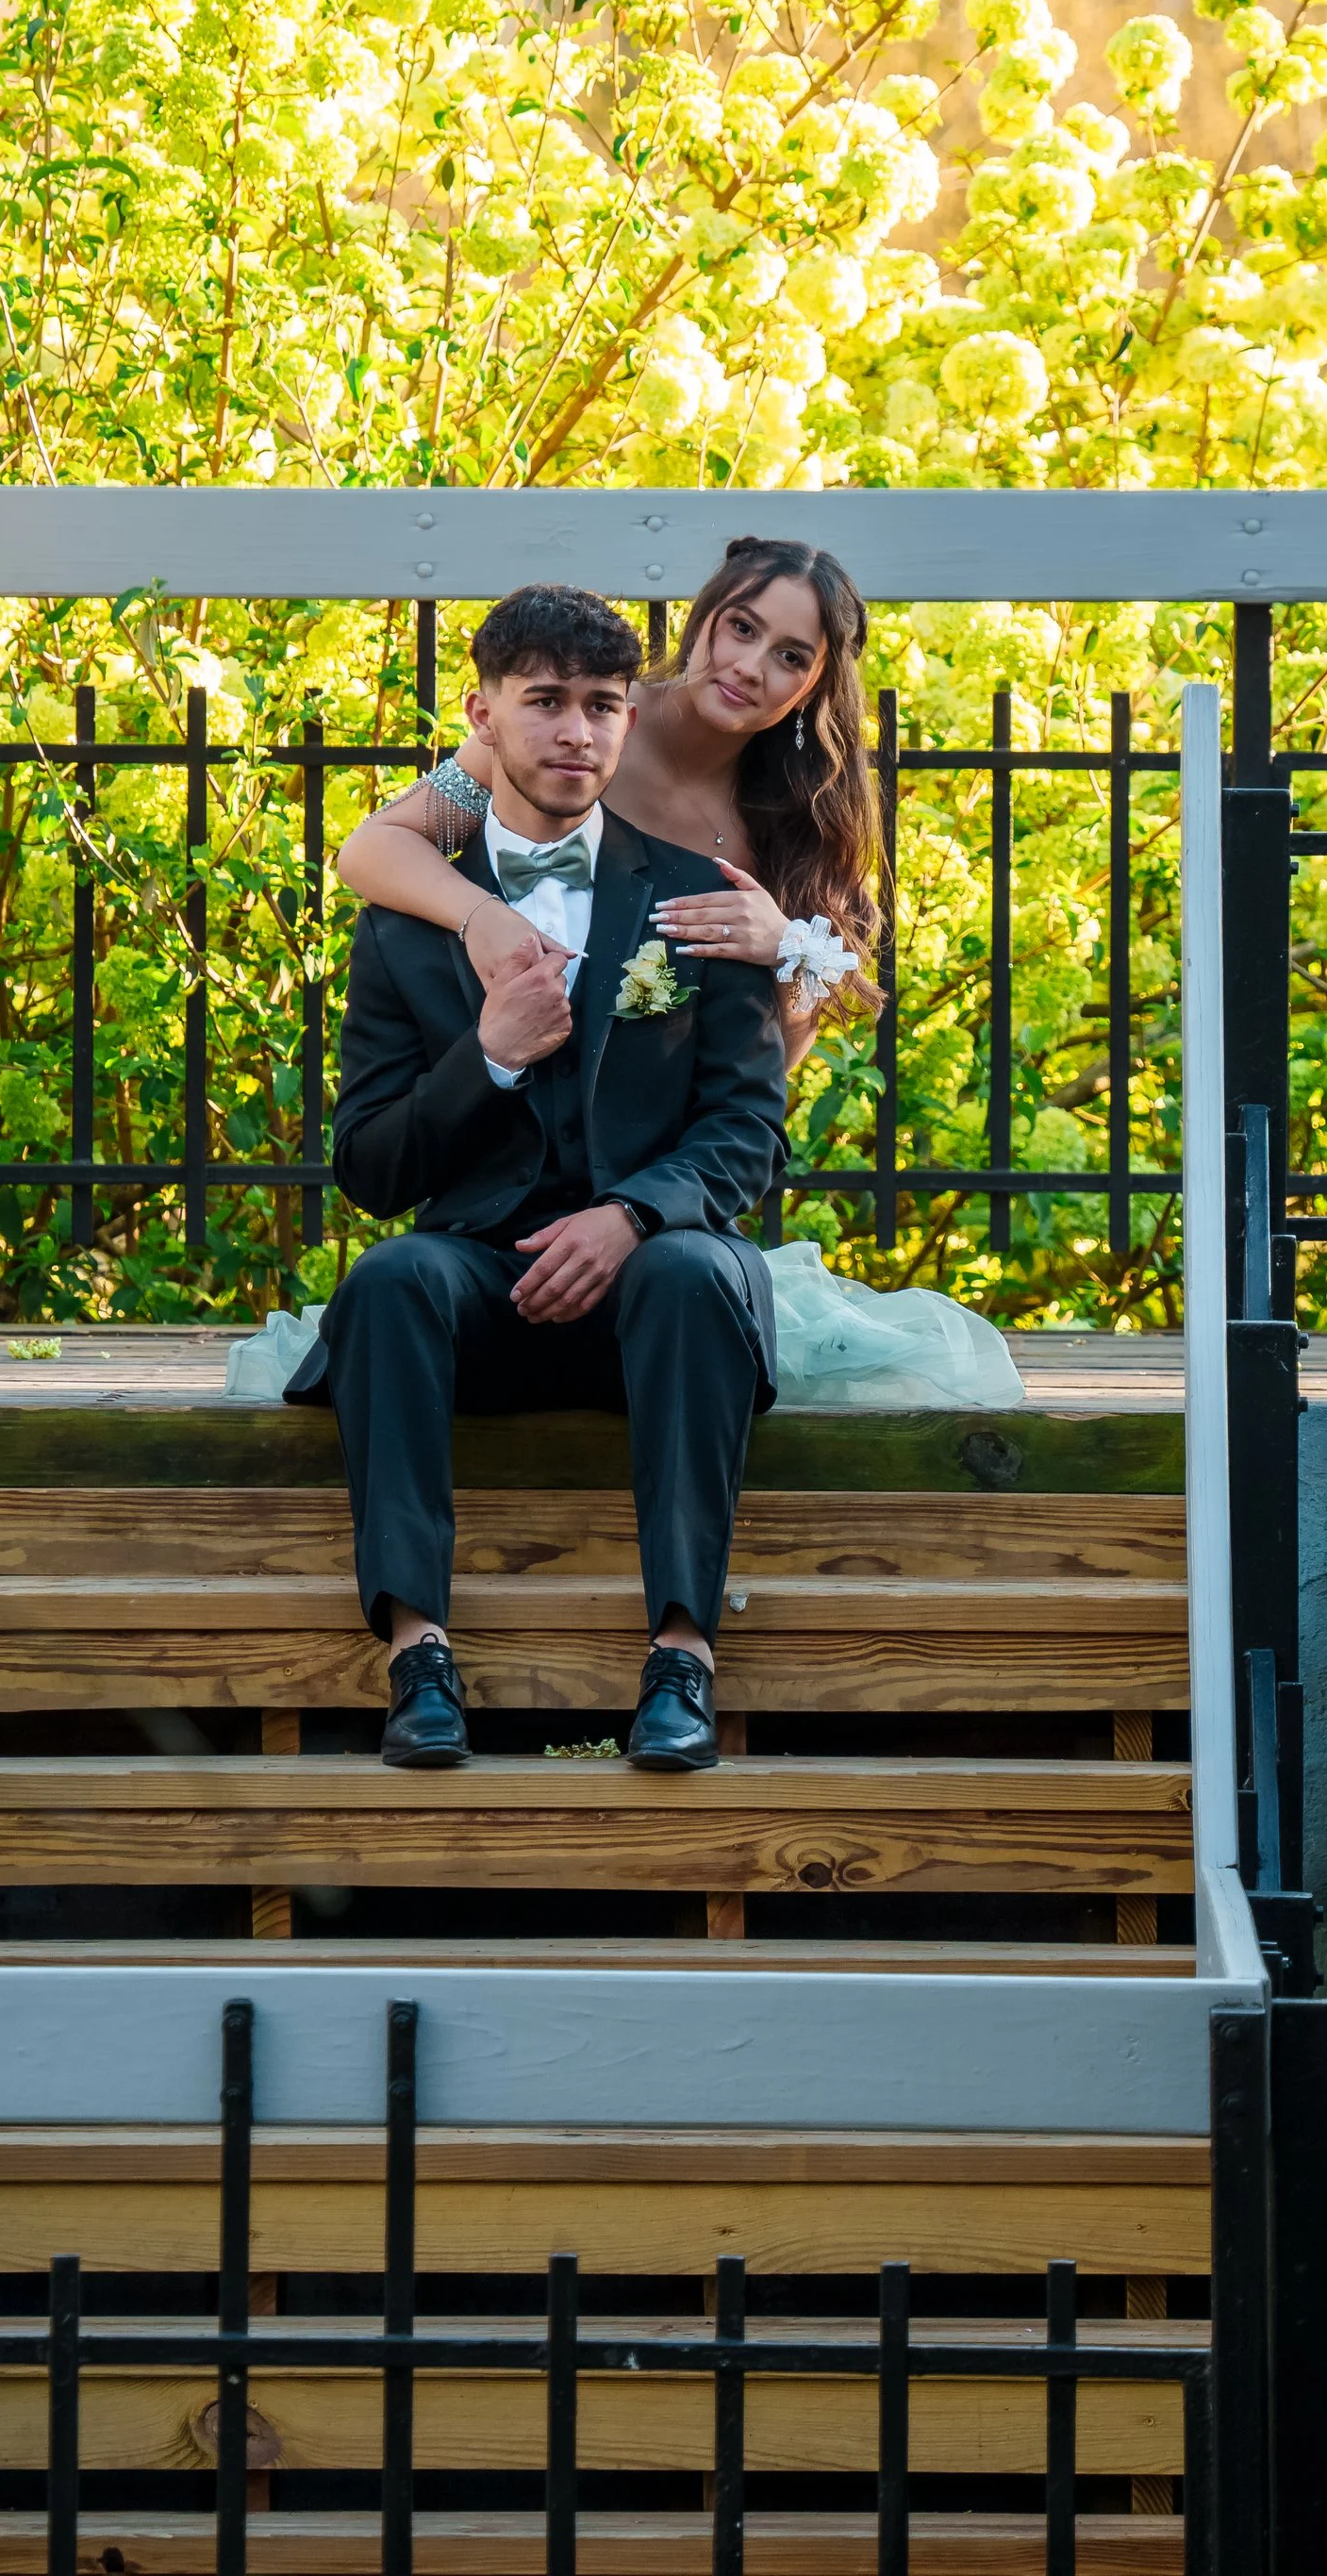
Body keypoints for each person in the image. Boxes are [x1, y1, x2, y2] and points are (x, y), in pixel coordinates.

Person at [284, 583, 791, 1774]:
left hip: (654, 1284)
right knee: (391, 1279)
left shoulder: (695, 901)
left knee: (695, 1275)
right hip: (485, 1285)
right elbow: (368, 1165)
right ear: (484, 713)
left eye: (603, 706)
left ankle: (681, 1659)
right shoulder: (407, 925)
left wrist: (627, 1217)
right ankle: (417, 1655)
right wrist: (491, 1058)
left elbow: (749, 1137)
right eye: (546, 702)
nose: (576, 732)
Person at [337, 533, 882, 1066]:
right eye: (742, 628)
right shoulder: (588, 727)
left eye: (789, 657)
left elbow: (774, 1064)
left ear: (811, 686)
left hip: (670, 1130)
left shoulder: (803, 812)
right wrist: (482, 918)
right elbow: (372, 848)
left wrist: (785, 947)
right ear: (703, 617)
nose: (750, 666)